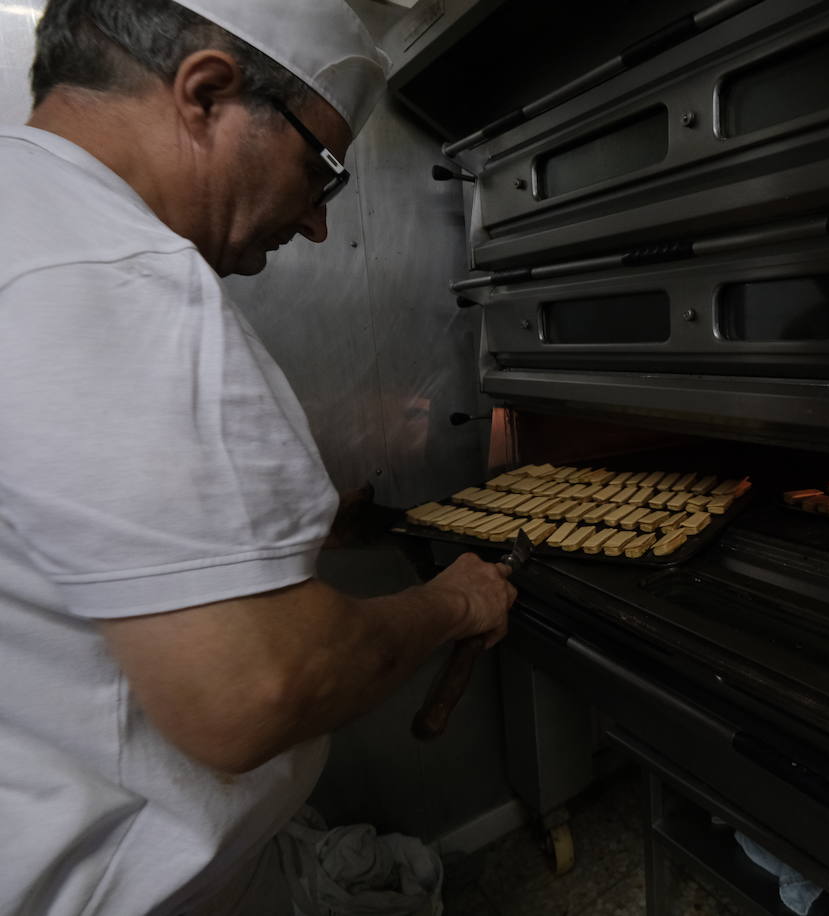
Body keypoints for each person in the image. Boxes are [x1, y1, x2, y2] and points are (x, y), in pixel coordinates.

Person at [0, 1, 516, 914]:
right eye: (321, 172)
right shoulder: (122, 280)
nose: (318, 226)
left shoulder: (26, 218)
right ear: (206, 92)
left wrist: (294, 539)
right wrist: (451, 602)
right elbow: (255, 692)